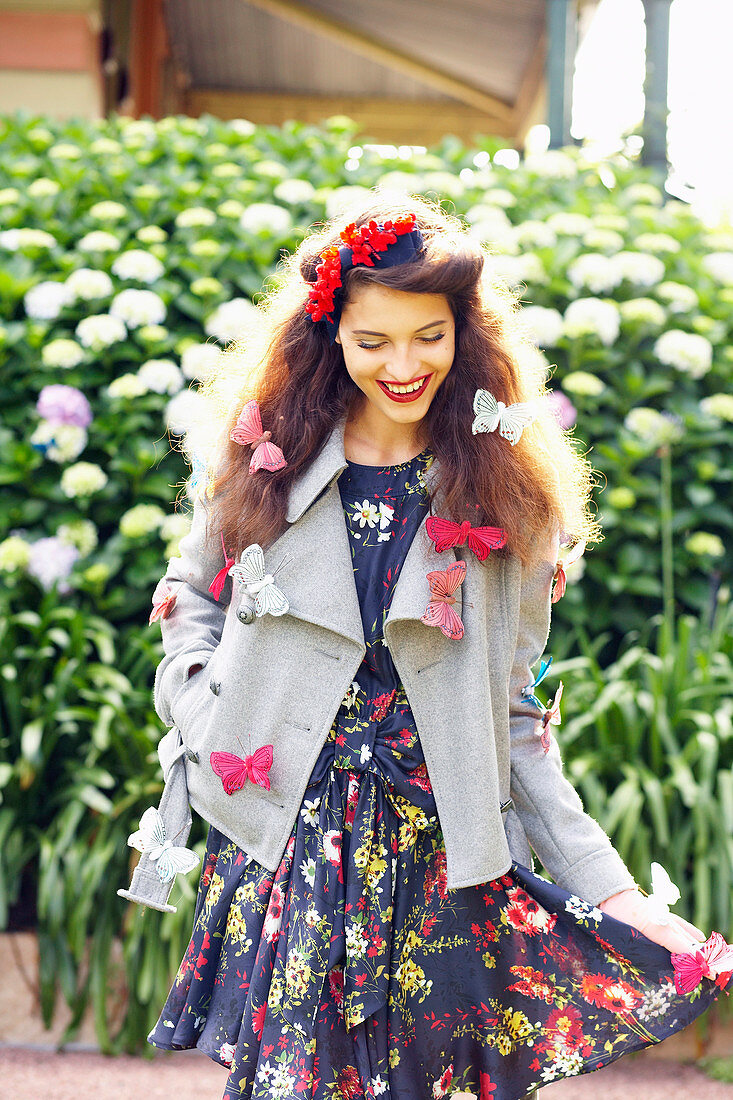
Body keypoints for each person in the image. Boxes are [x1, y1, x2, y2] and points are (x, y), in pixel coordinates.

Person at [121, 194, 731, 1100]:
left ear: (465, 335)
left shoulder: (507, 497)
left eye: (428, 336)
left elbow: (519, 719)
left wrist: (612, 893)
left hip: (444, 853)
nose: (402, 365)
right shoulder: (263, 463)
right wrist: (207, 709)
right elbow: (191, 601)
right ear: (330, 338)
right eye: (372, 341)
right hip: (294, 843)